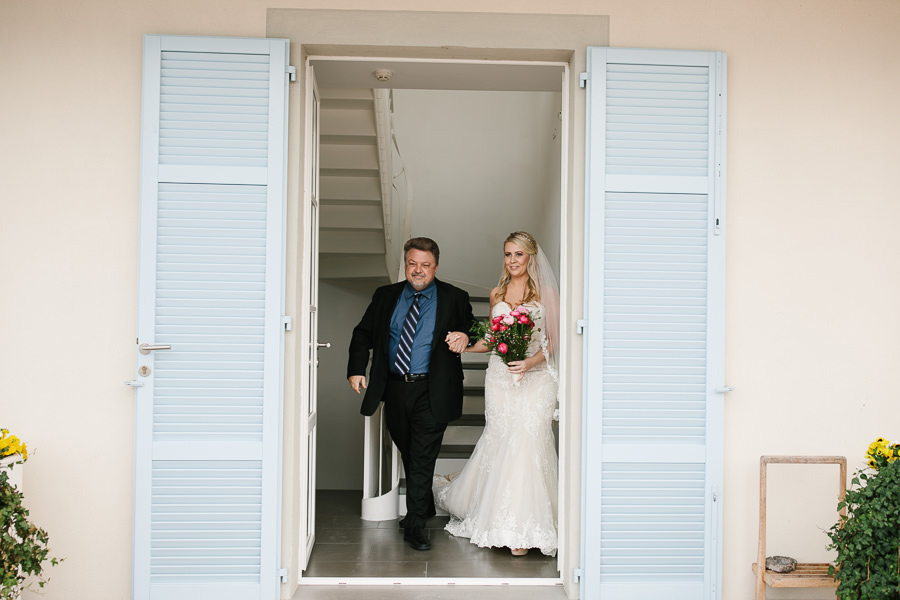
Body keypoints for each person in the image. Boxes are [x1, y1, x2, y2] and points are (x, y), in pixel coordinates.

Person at [435, 231, 560, 557]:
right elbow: (493, 340)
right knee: (503, 441)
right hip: (501, 378)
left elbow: (555, 341)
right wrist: (464, 343)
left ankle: (529, 527)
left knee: (530, 442)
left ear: (531, 256)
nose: (512, 260)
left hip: (536, 377)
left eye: (518, 254)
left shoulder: (546, 292)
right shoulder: (497, 293)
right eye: (507, 254)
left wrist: (530, 362)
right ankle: (505, 525)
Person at [348, 237, 475, 551]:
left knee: (421, 455)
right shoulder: (386, 295)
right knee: (406, 447)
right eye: (412, 264)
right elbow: (363, 332)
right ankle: (425, 505)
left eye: (425, 265)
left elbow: (474, 328)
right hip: (393, 387)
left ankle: (416, 524)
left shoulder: (454, 297)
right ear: (405, 263)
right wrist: (356, 368)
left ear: (436, 266)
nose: (418, 270)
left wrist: (465, 335)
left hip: (433, 388)